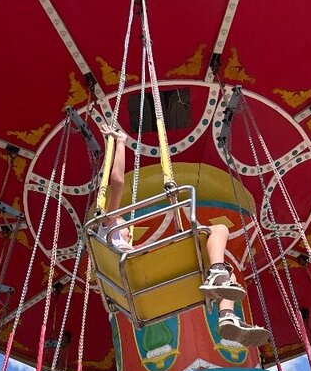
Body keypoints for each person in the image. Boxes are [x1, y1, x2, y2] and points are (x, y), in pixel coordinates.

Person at [99, 124, 269, 348]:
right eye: (125, 226)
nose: (128, 229)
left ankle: (227, 316)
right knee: (219, 229)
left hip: (146, 282)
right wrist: (120, 143)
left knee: (231, 278)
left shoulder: (112, 246)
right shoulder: (107, 223)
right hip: (141, 272)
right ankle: (216, 273)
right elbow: (117, 183)